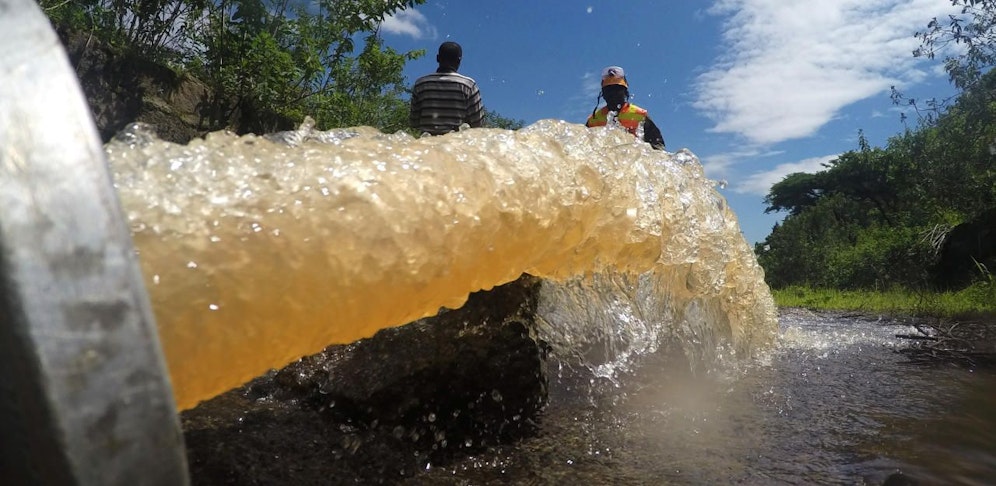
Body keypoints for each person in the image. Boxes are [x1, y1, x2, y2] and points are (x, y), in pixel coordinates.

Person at [409, 41, 484, 135]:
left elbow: (414, 122)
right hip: (454, 145)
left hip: (426, 145)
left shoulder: (421, 84)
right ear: (459, 61)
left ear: (437, 58)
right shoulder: (468, 85)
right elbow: (477, 125)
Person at [585, 66, 665, 150]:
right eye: (609, 90)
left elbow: (658, 146)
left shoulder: (640, 115)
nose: (613, 94)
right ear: (603, 94)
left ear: (625, 92)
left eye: (617, 89)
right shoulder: (593, 120)